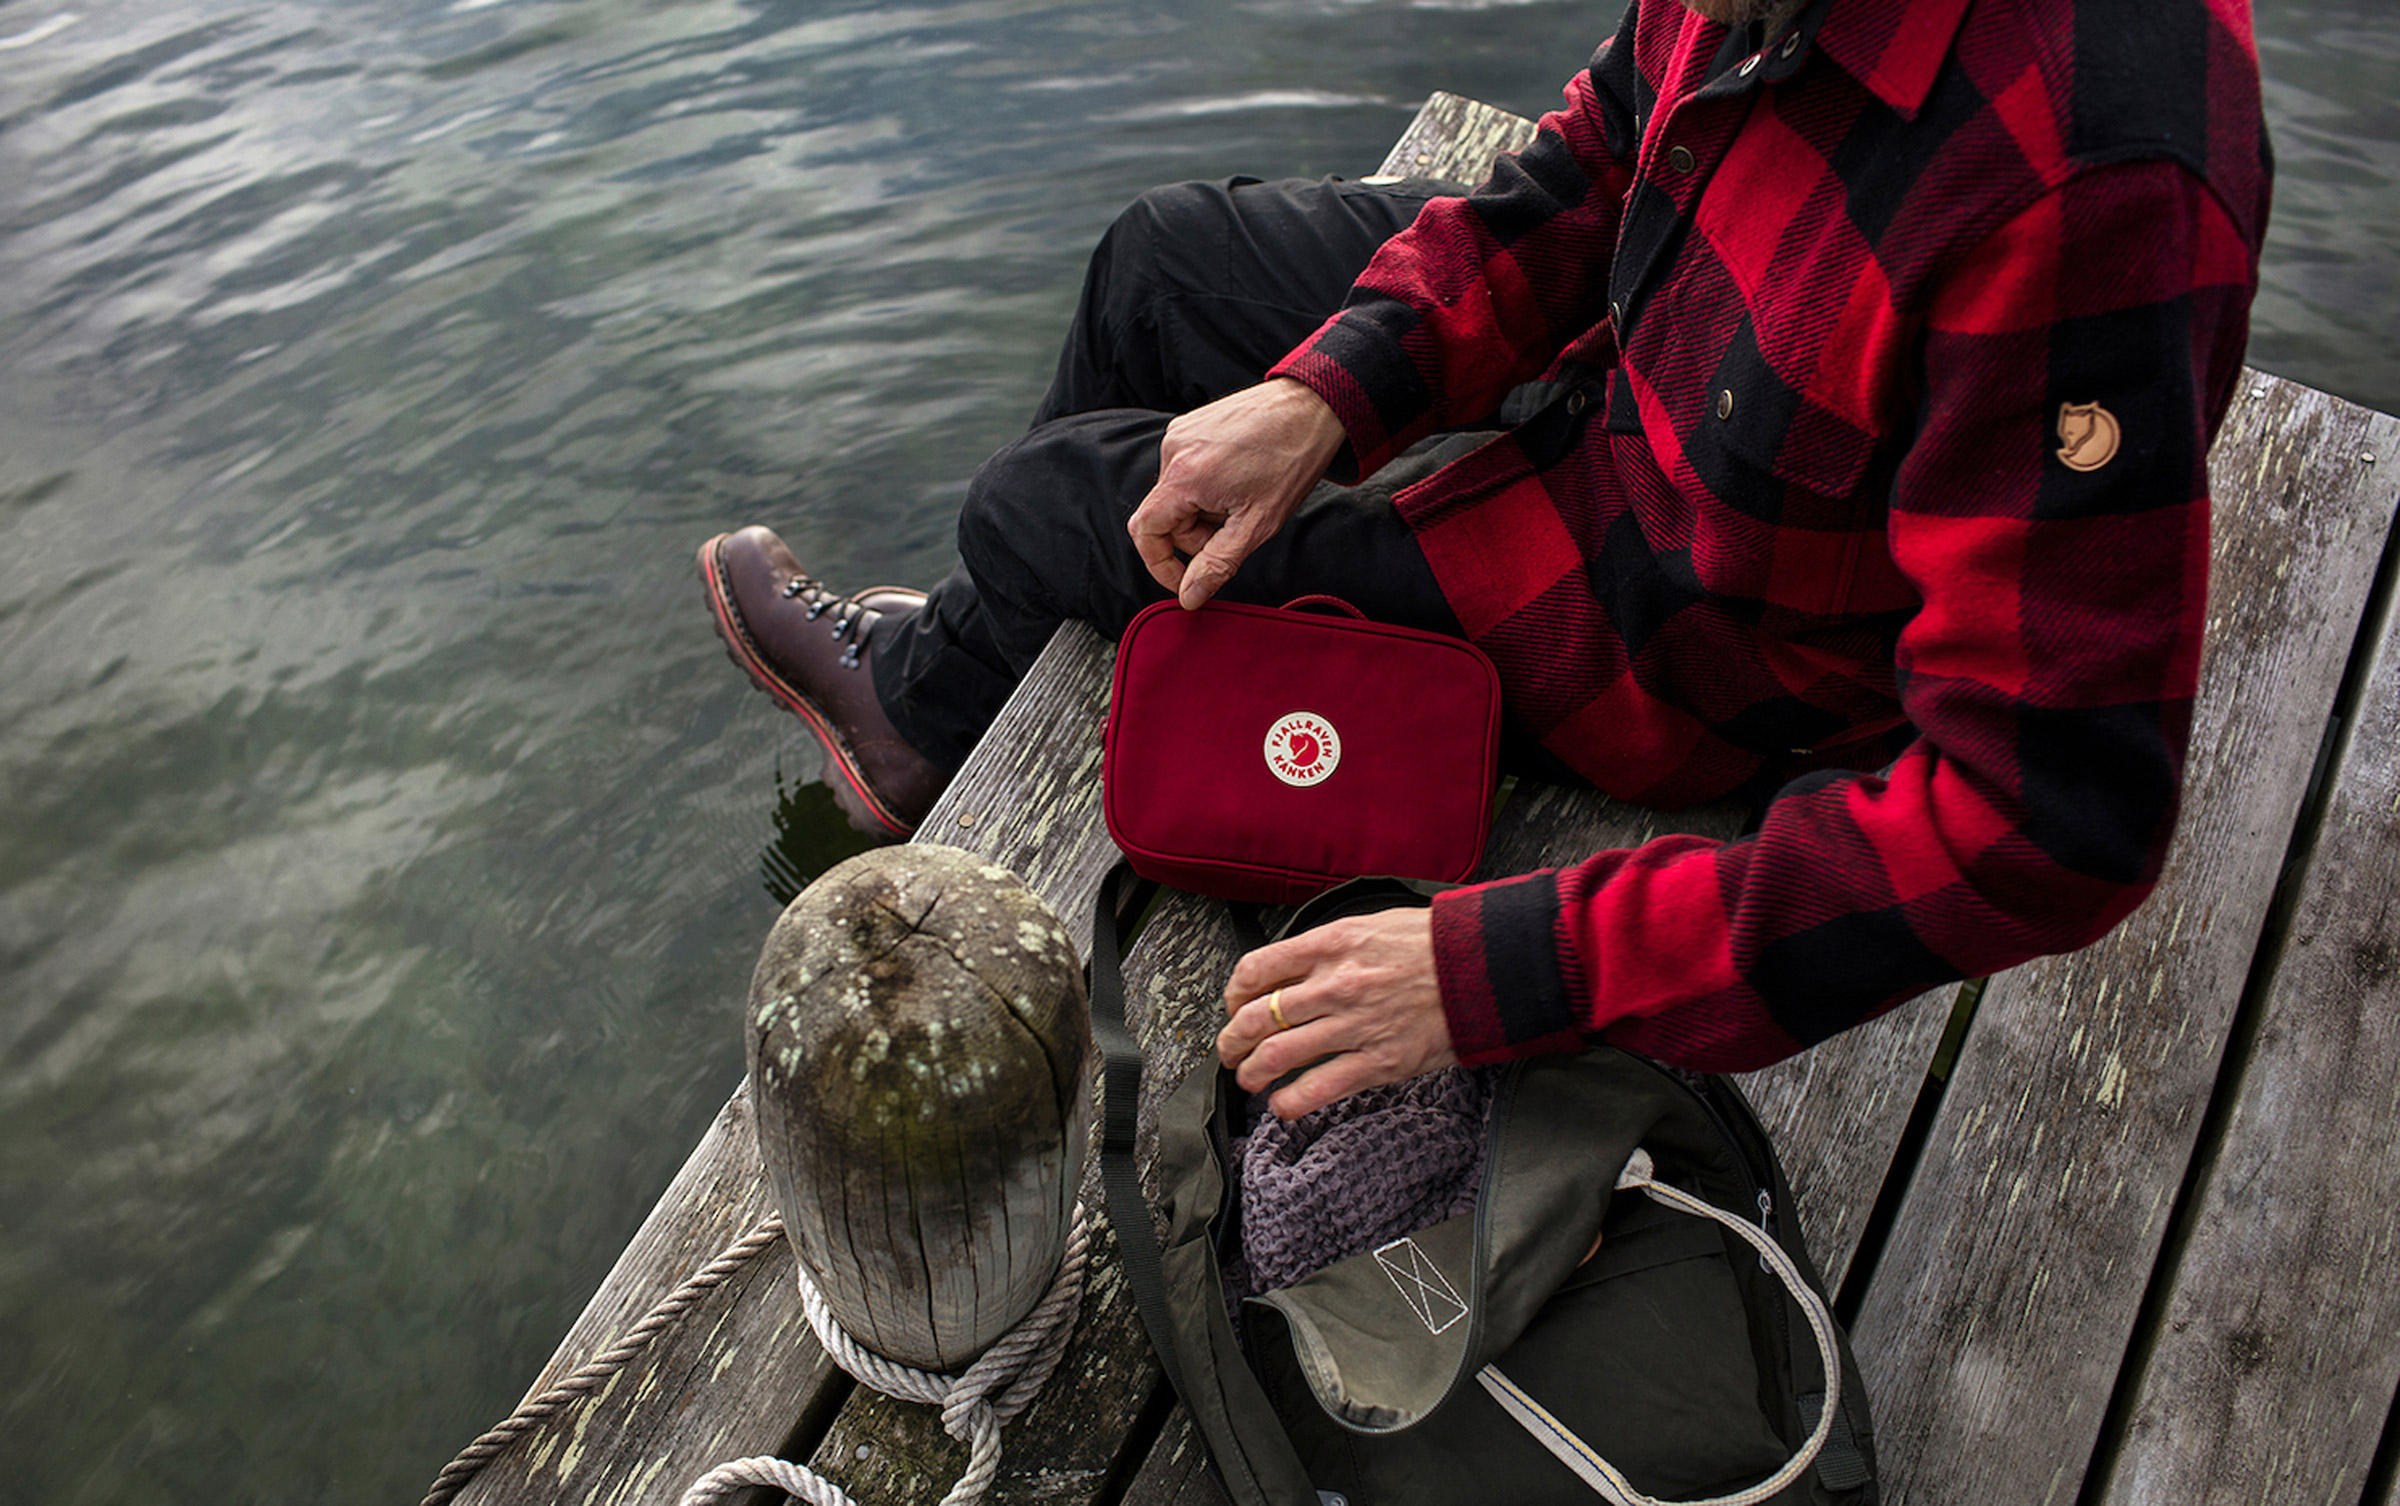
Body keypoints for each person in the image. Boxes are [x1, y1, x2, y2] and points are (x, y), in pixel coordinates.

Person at [699, 0, 2269, 1122]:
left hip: (1677, 617)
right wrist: (1336, 390)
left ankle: (935, 695)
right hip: (1647, 349)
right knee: (1158, 270)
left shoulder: (2097, 176)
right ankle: (939, 709)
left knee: (1038, 503)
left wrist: (1499, 972)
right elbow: (1592, 174)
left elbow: (2046, 821)